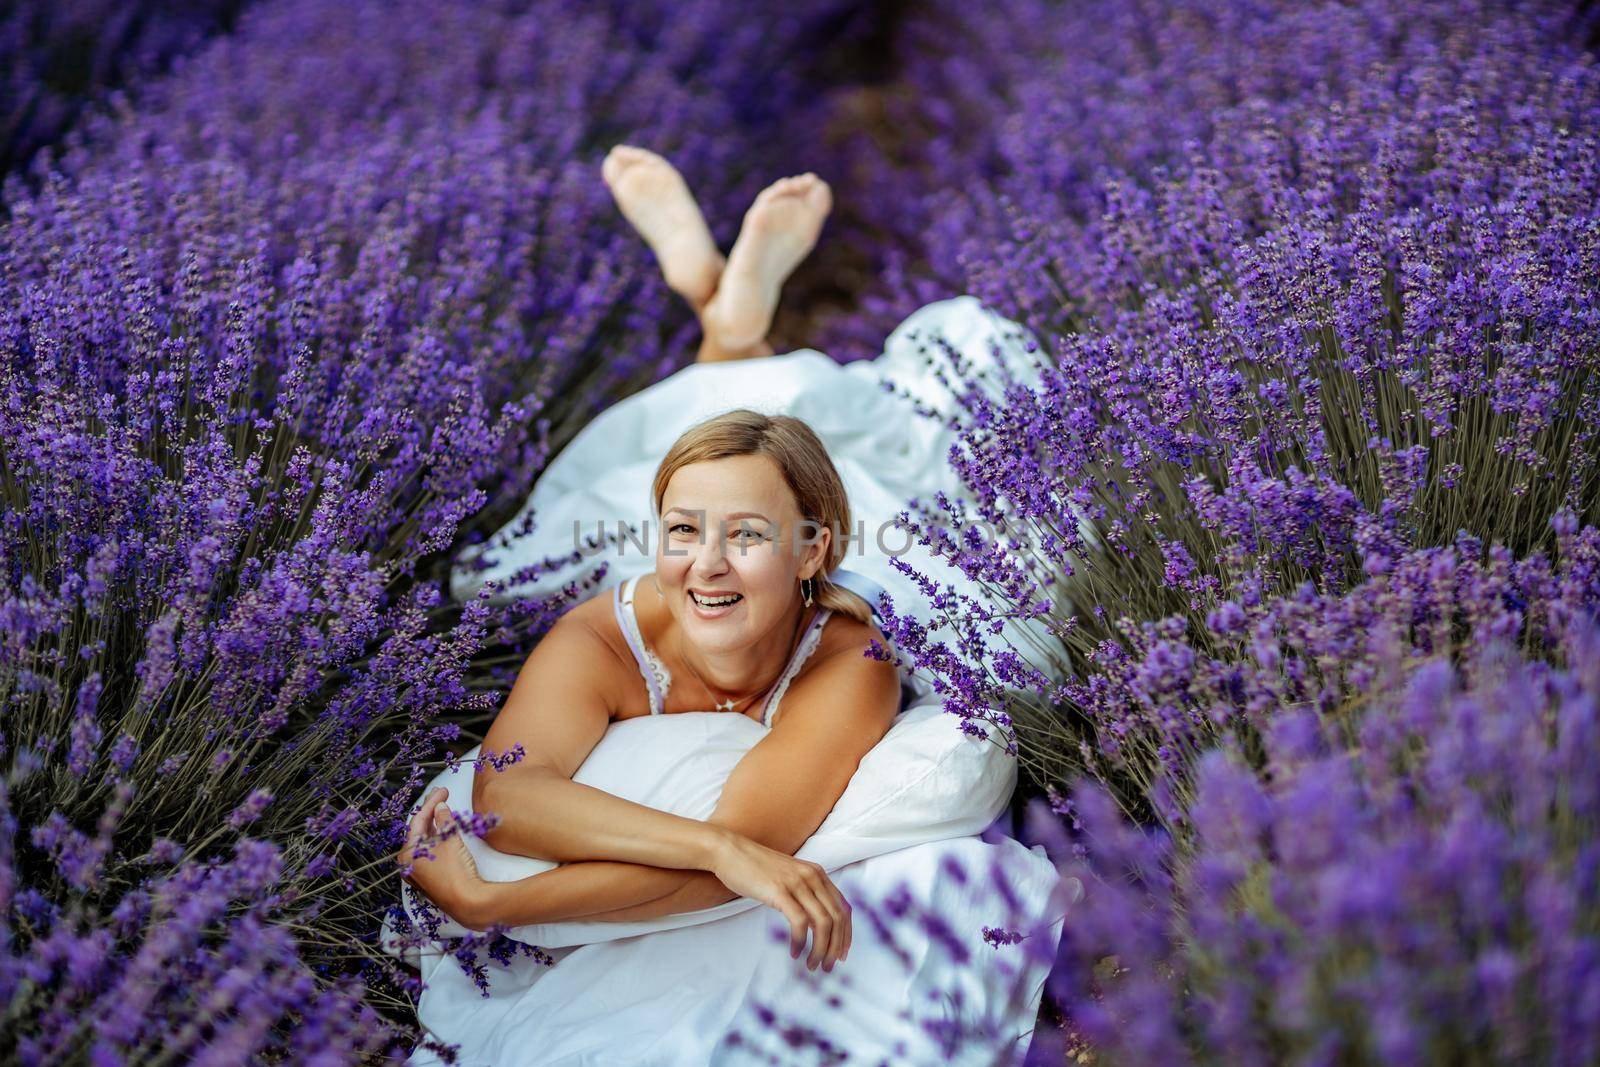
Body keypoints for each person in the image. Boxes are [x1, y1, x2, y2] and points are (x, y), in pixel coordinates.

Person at [394, 147, 1070, 1065]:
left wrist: (493, 902)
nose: (704, 565)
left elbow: (749, 863)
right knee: (590, 512)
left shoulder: (849, 658)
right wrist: (714, 846)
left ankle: (727, 326)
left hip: (873, 531)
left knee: (870, 449)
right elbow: (510, 797)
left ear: (811, 552)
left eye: (744, 538)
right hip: (759, 520)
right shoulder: (601, 635)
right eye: (680, 532)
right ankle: (724, 319)